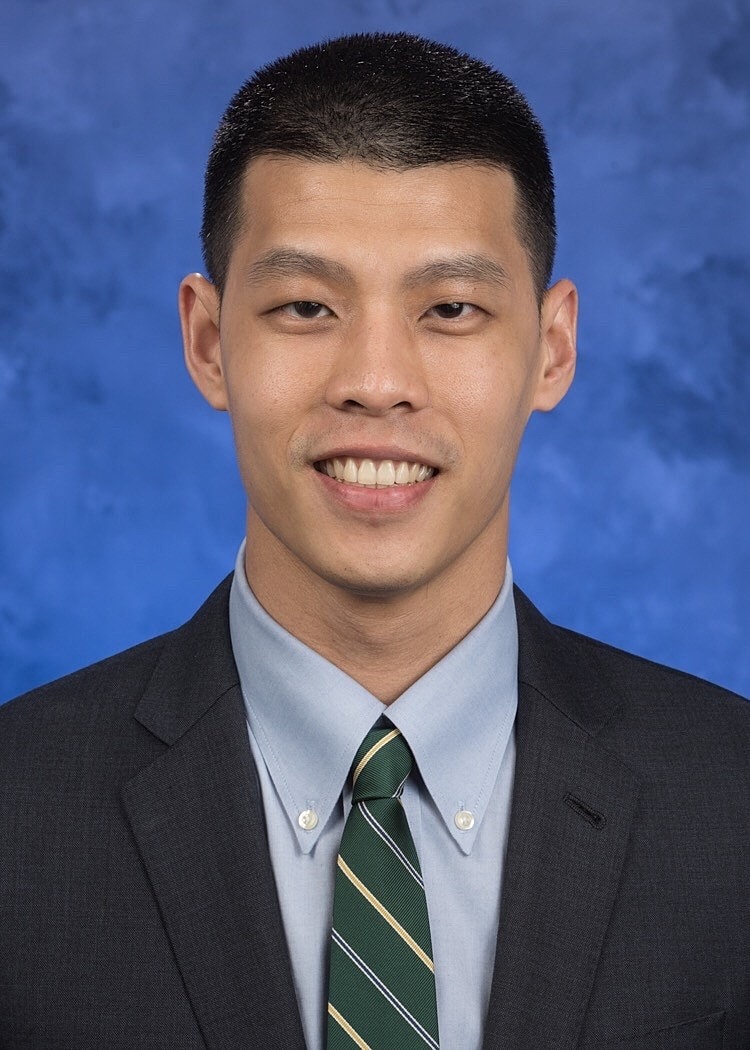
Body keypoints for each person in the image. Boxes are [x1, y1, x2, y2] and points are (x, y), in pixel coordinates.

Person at [1, 32, 748, 1050]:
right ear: (210, 342)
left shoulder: (732, 803)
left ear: (552, 348)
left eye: (451, 308)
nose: (376, 379)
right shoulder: (19, 816)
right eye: (306, 306)